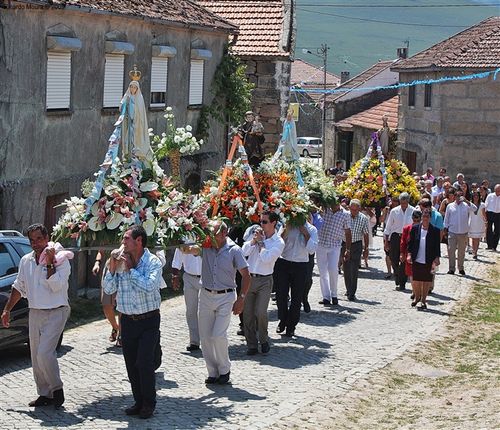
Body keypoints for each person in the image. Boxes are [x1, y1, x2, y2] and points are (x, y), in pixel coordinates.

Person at [1, 224, 71, 408]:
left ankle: (57, 390)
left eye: (39, 239)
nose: (35, 244)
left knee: (45, 353)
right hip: (35, 311)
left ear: (47, 237)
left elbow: (56, 285)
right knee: (36, 356)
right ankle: (45, 394)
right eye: (32, 240)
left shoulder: (61, 259)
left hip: (57, 310)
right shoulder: (26, 260)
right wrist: (7, 309)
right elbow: (18, 286)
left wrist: (49, 262)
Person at [102, 226, 163, 419]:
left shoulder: (153, 262)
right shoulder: (120, 260)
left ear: (139, 241)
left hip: (149, 320)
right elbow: (108, 288)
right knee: (131, 364)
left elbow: (149, 286)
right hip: (127, 320)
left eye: (126, 239)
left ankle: (149, 403)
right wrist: (112, 267)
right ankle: (138, 401)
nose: (123, 242)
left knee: (144, 362)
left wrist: (130, 270)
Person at [198, 221, 250, 385]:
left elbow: (246, 275)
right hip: (205, 294)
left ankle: (224, 369)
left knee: (218, 335)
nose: (212, 236)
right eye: (210, 232)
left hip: (226, 296)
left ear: (224, 233)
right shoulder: (205, 246)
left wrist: (241, 299)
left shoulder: (234, 250)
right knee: (205, 337)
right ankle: (212, 372)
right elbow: (190, 249)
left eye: (215, 232)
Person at [241, 211, 284, 355]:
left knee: (260, 312)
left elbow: (267, 258)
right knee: (247, 314)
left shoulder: (278, 242)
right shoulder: (256, 234)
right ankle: (251, 344)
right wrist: (254, 241)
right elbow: (243, 252)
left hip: (265, 280)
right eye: (261, 221)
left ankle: (264, 340)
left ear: (273, 223)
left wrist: (260, 243)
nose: (261, 225)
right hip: (249, 279)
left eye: (265, 222)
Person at [275, 220, 318, 337]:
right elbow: (277, 243)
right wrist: (284, 231)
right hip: (284, 262)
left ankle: (291, 326)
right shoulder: (286, 224)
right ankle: (283, 320)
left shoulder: (312, 229)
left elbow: (312, 250)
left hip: (301, 264)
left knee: (297, 297)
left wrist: (306, 234)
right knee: (281, 295)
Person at [316, 200, 352, 306]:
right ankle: (326, 296)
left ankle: (334, 294)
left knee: (333, 269)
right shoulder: (324, 210)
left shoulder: (345, 214)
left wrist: (348, 249)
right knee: (322, 272)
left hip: (334, 246)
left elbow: (348, 232)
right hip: (321, 244)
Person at [407, 209, 441, 310]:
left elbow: (437, 246)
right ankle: (417, 297)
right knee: (416, 279)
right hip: (417, 257)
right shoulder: (415, 228)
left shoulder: (435, 230)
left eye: (427, 217)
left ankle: (423, 300)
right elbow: (410, 243)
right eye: (424, 216)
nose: (425, 218)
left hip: (428, 258)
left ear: (430, 218)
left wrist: (437, 257)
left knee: (426, 280)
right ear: (421, 217)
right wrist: (409, 254)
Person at [171, 246, 202, 352]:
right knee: (191, 310)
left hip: (206, 277)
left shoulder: (206, 235)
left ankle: (209, 339)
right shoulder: (184, 236)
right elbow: (178, 256)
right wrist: (175, 275)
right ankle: (194, 341)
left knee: (205, 310)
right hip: (189, 277)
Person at [384, 193, 415, 291]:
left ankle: (402, 282)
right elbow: (388, 226)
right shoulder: (394, 211)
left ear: (408, 202)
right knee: (393, 258)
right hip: (395, 237)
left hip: (407, 237)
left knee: (404, 260)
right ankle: (397, 275)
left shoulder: (413, 211)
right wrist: (386, 241)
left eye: (405, 203)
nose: (403, 205)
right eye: (401, 203)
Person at [444, 190, 477, 276]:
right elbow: (446, 218)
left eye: (460, 196)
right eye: (457, 196)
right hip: (452, 231)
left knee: (461, 252)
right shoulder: (450, 206)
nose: (459, 198)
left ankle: (461, 268)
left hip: (463, 232)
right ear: (454, 197)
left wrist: (466, 201)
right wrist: (445, 228)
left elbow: (475, 209)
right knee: (451, 250)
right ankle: (451, 268)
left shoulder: (466, 205)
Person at [120, 80, 154, 162]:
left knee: (136, 141)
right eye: (131, 87)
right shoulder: (126, 96)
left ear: (137, 89)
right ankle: (128, 157)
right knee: (127, 141)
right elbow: (121, 107)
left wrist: (134, 110)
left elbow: (141, 112)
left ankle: (137, 158)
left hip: (137, 124)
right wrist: (125, 104)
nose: (133, 89)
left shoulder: (139, 98)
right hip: (128, 123)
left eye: (134, 87)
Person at [92, 250, 121, 346]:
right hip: (109, 270)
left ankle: (121, 333)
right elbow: (101, 250)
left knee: (122, 304)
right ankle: (115, 327)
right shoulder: (106, 235)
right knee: (106, 304)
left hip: (123, 269)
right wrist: (97, 263)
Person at [343, 200, 369, 301]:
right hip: (345, 243)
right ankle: (348, 288)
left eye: (356, 210)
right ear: (349, 208)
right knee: (346, 268)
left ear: (359, 209)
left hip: (356, 244)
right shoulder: (345, 216)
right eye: (352, 209)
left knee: (354, 268)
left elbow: (366, 234)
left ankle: (352, 292)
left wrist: (366, 248)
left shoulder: (363, 218)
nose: (354, 212)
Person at [400, 210, 423, 301]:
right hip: (409, 253)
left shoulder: (424, 229)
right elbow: (403, 242)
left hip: (421, 253)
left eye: (418, 220)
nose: (416, 222)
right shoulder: (407, 229)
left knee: (420, 273)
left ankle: (419, 291)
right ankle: (414, 291)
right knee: (411, 274)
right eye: (414, 219)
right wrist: (402, 253)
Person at [468, 191, 487, 259]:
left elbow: (484, 215)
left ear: (479, 197)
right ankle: (474, 251)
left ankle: (475, 252)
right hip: (472, 223)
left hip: (479, 223)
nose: (476, 197)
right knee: (473, 238)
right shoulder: (470, 204)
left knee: (477, 238)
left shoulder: (482, 205)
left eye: (477, 196)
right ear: (472, 197)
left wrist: (486, 223)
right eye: (474, 196)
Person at [485, 184, 500, 251]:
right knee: (489, 230)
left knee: (497, 230)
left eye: (499, 191)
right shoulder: (490, 196)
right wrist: (485, 215)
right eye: (496, 190)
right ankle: (489, 245)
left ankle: (494, 246)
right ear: (494, 190)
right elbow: (486, 204)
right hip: (490, 213)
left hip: (498, 214)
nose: (497, 192)